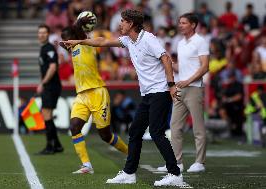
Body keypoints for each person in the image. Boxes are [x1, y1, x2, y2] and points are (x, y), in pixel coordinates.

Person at [62, 9, 184, 186]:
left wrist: (171, 85)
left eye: (123, 21)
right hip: (148, 93)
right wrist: (80, 41)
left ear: (131, 24)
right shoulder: (128, 40)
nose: (120, 24)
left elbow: (166, 59)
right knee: (134, 132)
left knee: (156, 133)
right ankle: (129, 173)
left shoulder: (148, 38)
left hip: (160, 91)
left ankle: (175, 174)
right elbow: (102, 41)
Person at [59, 20, 128, 174]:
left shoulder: (87, 44)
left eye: (67, 38)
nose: (66, 42)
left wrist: (78, 24)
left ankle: (131, 155)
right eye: (64, 40)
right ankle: (86, 165)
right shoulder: (73, 50)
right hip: (82, 95)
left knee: (105, 135)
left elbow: (96, 40)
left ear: (75, 36)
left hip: (97, 92)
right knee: (74, 127)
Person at [168, 13, 209, 173]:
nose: (180, 25)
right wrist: (167, 62)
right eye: (180, 22)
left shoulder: (201, 41)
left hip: (194, 88)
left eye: (184, 23)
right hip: (180, 88)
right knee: (174, 127)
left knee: (198, 128)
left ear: (193, 25)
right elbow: (181, 67)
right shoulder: (180, 43)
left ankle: (200, 162)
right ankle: (177, 163)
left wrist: (188, 81)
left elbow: (205, 67)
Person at [36, 24, 63, 155]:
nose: (41, 35)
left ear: (48, 34)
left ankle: (50, 146)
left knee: (46, 114)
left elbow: (53, 67)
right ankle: (57, 145)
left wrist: (43, 83)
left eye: (44, 33)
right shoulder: (44, 49)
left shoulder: (49, 48)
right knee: (48, 115)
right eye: (39, 33)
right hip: (50, 86)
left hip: (51, 86)